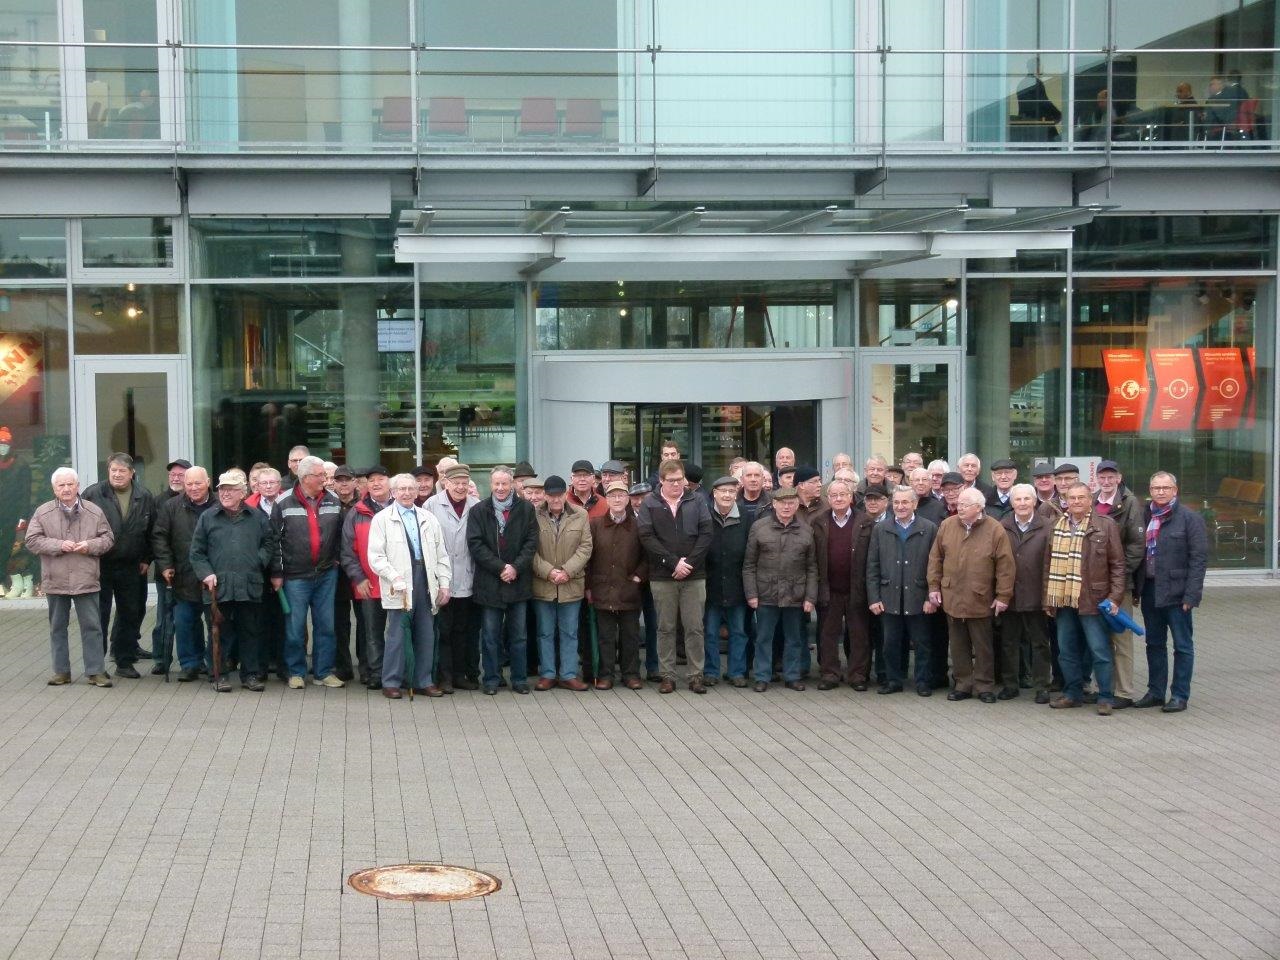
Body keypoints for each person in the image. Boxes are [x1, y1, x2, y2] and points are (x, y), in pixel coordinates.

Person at [25, 467, 115, 687]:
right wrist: (58, 545)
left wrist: (90, 546)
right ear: (54, 489)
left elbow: (108, 539)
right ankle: (61, 671)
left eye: (69, 484)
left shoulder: (94, 511)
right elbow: (32, 540)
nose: (66, 489)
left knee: (93, 627)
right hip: (55, 580)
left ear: (78, 486)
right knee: (57, 627)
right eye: (61, 485)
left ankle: (96, 671)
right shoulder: (43, 512)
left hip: (86, 578)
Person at [1044, 482, 1126, 716]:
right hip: (1062, 598)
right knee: (1066, 650)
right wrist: (1046, 599)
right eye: (1072, 498)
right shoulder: (1055, 526)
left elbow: (1118, 565)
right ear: (1066, 501)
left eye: (1081, 497)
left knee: (1099, 650)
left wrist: (1115, 597)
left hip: (1093, 597)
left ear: (1090, 500)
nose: (1077, 502)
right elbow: (1047, 566)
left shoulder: (1106, 525)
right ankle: (1072, 694)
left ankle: (1105, 697)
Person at [366, 473, 451, 698]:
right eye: (401, 489)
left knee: (426, 632)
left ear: (416, 492)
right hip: (399, 581)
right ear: (393, 492)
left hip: (425, 578)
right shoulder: (382, 519)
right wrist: (394, 577)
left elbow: (441, 554)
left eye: (411, 489)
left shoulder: (428, 518)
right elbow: (376, 557)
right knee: (397, 633)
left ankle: (424, 680)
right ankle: (392, 682)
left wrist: (444, 584)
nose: (406, 493)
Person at [189, 471, 275, 692]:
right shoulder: (208, 517)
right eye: (222, 489)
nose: (225, 493)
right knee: (219, 632)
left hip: (249, 584)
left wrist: (259, 561)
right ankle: (219, 675)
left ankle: (250, 675)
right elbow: (196, 552)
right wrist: (206, 573)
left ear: (243, 492)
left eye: (231, 489)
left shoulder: (257, 517)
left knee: (251, 632)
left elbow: (269, 543)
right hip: (218, 586)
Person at [928, 487, 1014, 703]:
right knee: (957, 644)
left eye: (966, 504)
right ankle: (963, 683)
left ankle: (984, 685)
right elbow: (935, 559)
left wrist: (1003, 596)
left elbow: (1005, 566)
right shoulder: (947, 525)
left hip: (980, 596)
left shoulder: (994, 529)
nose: (960, 507)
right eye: (959, 503)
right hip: (952, 595)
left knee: (983, 644)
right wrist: (933, 587)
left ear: (979, 508)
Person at [636, 458, 713, 694]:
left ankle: (695, 676)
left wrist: (688, 563)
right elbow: (647, 537)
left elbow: (706, 534)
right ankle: (667, 676)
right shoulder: (650, 504)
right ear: (661, 481)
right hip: (663, 576)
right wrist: (673, 562)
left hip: (694, 574)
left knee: (694, 627)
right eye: (672, 481)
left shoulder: (697, 500)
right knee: (665, 628)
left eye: (680, 480)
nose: (677, 484)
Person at [1135, 471, 1207, 713]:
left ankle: (1179, 695)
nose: (1161, 492)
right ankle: (1156, 692)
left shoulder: (1189, 518)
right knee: (1154, 643)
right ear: (1150, 490)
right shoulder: (1145, 516)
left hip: (1178, 593)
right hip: (1151, 590)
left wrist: (1192, 595)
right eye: (1156, 488)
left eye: (1166, 488)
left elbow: (1198, 560)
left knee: (1182, 646)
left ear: (1175, 490)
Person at [270, 455, 344, 689]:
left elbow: (342, 534)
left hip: (326, 574)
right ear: (305, 478)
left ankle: (323, 672)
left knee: (326, 626)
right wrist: (277, 572)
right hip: (294, 576)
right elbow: (274, 541)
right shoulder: (283, 503)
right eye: (320, 475)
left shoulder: (333, 500)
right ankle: (296, 672)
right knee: (295, 627)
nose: (325, 479)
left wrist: (337, 560)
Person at [81, 452, 155, 679]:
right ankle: (96, 666)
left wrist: (146, 558)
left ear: (132, 473)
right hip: (99, 564)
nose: (117, 474)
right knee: (98, 615)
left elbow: (152, 531)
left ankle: (124, 661)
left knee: (130, 614)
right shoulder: (94, 493)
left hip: (132, 565)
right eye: (113, 470)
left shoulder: (144, 495)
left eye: (122, 471)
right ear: (108, 471)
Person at [467, 465, 538, 695]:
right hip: (490, 583)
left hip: (518, 582)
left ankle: (519, 679)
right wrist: (501, 568)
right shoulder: (479, 510)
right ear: (491, 484)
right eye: (496, 483)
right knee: (490, 637)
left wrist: (515, 567)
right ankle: (491, 679)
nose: (500, 488)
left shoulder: (526, 509)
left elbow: (531, 542)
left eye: (504, 483)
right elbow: (475, 544)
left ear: (512, 485)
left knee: (518, 636)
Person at [743, 486, 817, 692]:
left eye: (791, 503)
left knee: (794, 638)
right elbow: (749, 565)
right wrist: (751, 594)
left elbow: (812, 567)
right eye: (782, 503)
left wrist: (810, 597)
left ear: (796, 505)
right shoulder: (759, 527)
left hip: (796, 594)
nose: (787, 506)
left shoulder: (806, 530)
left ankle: (792, 676)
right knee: (764, 637)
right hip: (766, 593)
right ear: (774, 504)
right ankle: (762, 676)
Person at [867, 486, 938, 696]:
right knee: (890, 644)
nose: (900, 506)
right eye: (896, 502)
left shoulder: (929, 528)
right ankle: (893, 680)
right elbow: (872, 565)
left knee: (923, 643)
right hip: (889, 596)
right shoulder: (881, 528)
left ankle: (923, 681)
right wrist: (874, 597)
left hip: (918, 596)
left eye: (905, 502)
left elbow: (936, 566)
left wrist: (930, 597)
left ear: (915, 504)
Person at [152, 466, 218, 682]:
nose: (193, 488)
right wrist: (165, 565)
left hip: (214, 576)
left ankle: (213, 664)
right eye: (189, 484)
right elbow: (160, 537)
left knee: (215, 623)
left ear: (208, 482)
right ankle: (190, 664)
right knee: (184, 622)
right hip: (182, 575)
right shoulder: (171, 506)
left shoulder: (221, 505)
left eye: (198, 483)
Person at [812, 478, 877, 691]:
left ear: (851, 497)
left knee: (859, 634)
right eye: (834, 495)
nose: (838, 498)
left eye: (843, 494)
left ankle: (858, 674)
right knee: (827, 634)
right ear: (828, 498)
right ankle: (830, 673)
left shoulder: (865, 521)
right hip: (829, 588)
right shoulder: (818, 521)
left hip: (857, 588)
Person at [531, 475, 593, 691]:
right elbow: (529, 549)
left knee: (569, 632)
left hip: (571, 583)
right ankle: (547, 673)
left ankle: (568, 674)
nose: (556, 499)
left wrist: (566, 571)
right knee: (545, 632)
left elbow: (585, 547)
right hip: (543, 584)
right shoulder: (533, 514)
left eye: (559, 495)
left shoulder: (580, 515)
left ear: (566, 493)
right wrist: (549, 572)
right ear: (545, 496)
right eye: (551, 495)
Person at [1091, 460, 1145, 707]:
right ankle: (1103, 688)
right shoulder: (1091, 501)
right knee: (1099, 639)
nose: (1106, 481)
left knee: (1121, 638)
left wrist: (1119, 576)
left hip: (1119, 584)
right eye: (1102, 477)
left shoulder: (1130, 503)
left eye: (1111, 477)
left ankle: (1123, 692)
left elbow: (1136, 544)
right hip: (1092, 584)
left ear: (1119, 478)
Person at [424, 462, 481, 694]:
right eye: (455, 483)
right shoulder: (431, 505)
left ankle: (460, 675)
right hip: (441, 580)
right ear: (445, 483)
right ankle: (444, 676)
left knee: (463, 630)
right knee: (443, 630)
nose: (460, 487)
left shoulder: (477, 506)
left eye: (464, 483)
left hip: (468, 577)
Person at [588, 480, 647, 690]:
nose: (617, 499)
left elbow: (648, 555)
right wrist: (588, 587)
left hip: (629, 588)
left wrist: (639, 576)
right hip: (602, 589)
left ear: (628, 499)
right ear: (607, 499)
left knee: (630, 636)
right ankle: (606, 674)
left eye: (621, 495)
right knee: (606, 636)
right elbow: (588, 557)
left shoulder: (639, 524)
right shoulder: (595, 524)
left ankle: (630, 674)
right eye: (613, 495)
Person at [340, 465, 394, 690]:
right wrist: (358, 578)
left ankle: (397, 672)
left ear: (389, 482)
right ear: (366, 485)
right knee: (371, 632)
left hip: (398, 583)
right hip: (368, 583)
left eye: (381, 479)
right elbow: (347, 551)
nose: (376, 483)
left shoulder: (401, 508)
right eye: (371, 480)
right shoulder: (357, 512)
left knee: (398, 631)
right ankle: (376, 673)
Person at [999, 483, 1054, 703]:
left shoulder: (1048, 526)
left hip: (1036, 594)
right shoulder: (1001, 526)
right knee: (1008, 642)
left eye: (1026, 499)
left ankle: (1042, 686)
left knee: (1039, 643)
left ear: (1034, 502)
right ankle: (1010, 684)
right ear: (1011, 503)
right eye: (1018, 500)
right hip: (1009, 595)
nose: (1022, 503)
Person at [703, 475, 749, 688]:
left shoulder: (746, 519)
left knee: (738, 632)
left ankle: (736, 672)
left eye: (731, 491)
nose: (727, 495)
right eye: (723, 491)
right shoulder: (704, 516)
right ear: (714, 493)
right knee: (710, 632)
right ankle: (711, 671)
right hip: (710, 585)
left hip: (737, 585)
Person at [148, 458, 189, 674]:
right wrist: (161, 564)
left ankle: (193, 660)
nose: (175, 478)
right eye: (172, 475)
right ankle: (161, 659)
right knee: (164, 618)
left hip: (191, 571)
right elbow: (155, 537)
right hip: (166, 570)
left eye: (180, 475)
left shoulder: (198, 500)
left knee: (188, 619)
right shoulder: (159, 502)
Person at [330, 465, 366, 683]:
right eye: (339, 480)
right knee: (339, 623)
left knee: (365, 621)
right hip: (336, 572)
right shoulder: (328, 504)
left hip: (360, 571)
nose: (343, 484)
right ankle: (343, 666)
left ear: (355, 482)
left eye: (347, 480)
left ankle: (366, 666)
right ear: (333, 483)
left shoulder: (364, 505)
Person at [0, 425, 33, 599]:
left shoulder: (21, 465)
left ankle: (25, 584)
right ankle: (3, 582)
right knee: (3, 549)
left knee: (16, 550)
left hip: (14, 517)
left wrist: (23, 517)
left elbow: (25, 494)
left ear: (11, 445)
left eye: (5, 444)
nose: (2, 447)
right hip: (1, 516)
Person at [1016, 57, 1062, 139]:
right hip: (1038, 121)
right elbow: (1044, 102)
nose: (1042, 68)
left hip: (1028, 121)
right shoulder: (1034, 83)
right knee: (1054, 142)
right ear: (1036, 67)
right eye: (1040, 66)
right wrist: (1058, 114)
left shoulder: (1023, 83)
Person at [736, 462, 772, 526]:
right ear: (741, 479)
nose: (753, 479)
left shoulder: (773, 502)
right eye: (749, 475)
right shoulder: (732, 503)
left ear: (763, 479)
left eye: (757, 475)